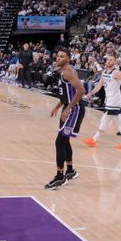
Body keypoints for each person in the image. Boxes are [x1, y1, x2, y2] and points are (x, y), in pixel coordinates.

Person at [45, 48, 86, 189]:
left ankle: (60, 177)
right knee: (64, 140)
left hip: (74, 109)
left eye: (62, 56)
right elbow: (68, 93)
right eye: (57, 56)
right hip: (68, 107)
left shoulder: (67, 72)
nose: (58, 58)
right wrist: (58, 106)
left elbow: (81, 91)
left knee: (59, 142)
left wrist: (68, 109)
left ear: (68, 59)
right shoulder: (65, 71)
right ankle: (70, 171)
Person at [82, 55, 121, 149]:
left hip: (115, 100)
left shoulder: (116, 73)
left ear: (115, 62)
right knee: (117, 121)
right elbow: (99, 86)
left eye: (111, 60)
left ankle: (94, 140)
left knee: (105, 120)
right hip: (109, 99)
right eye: (108, 59)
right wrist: (90, 94)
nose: (109, 61)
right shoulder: (104, 72)